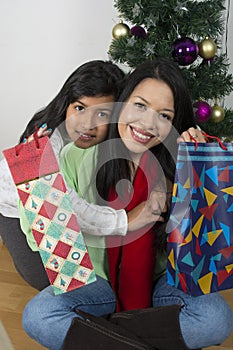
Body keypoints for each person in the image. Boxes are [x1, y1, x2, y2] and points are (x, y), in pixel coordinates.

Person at [21, 57, 233, 350]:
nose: (147, 123)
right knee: (38, 316)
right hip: (94, 282)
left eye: (164, 116)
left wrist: (200, 170)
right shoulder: (76, 157)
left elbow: (204, 254)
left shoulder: (179, 164)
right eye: (140, 105)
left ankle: (102, 335)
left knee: (216, 319)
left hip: (162, 283)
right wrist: (38, 176)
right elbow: (39, 235)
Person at [0, 59, 127, 290]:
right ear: (66, 104)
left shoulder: (111, 143)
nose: (87, 124)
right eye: (80, 108)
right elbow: (68, 209)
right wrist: (124, 221)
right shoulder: (49, 138)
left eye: (102, 115)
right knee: (49, 280)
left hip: (61, 205)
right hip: (14, 208)